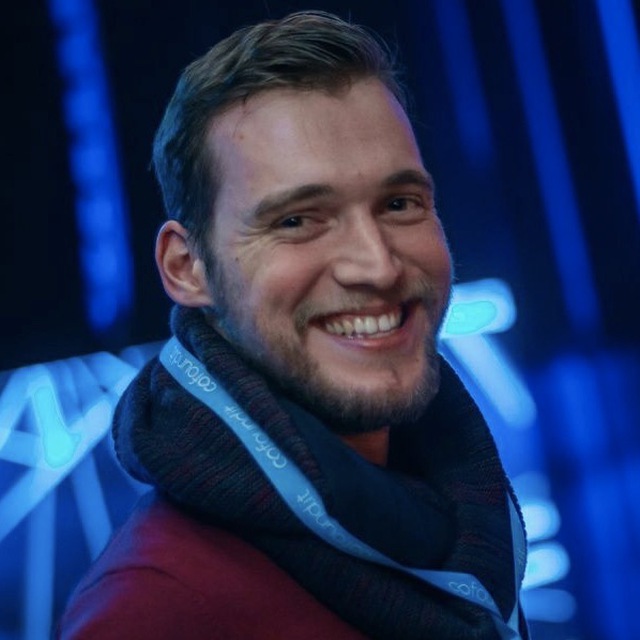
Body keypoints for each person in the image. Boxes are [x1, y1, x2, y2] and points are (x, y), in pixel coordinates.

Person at [57, 11, 529, 640]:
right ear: (186, 268)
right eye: (297, 220)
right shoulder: (151, 610)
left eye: (399, 204)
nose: (378, 266)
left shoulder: (462, 522)